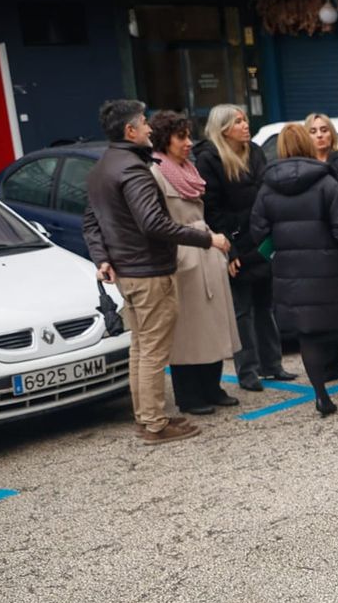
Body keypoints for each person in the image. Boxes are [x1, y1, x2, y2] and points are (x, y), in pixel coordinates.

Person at [81, 99, 230, 444]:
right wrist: (208, 239)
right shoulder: (134, 170)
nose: (149, 128)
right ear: (130, 130)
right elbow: (154, 224)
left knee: (140, 348)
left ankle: (147, 417)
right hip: (149, 272)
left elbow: (91, 221)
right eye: (144, 122)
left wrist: (102, 258)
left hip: (128, 272)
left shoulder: (103, 167)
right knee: (152, 351)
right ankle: (154, 424)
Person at [250, 123, 338, 415]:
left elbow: (258, 232)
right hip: (334, 269)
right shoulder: (326, 182)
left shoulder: (267, 187)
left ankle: (321, 397)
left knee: (308, 334)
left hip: (293, 275)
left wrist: (279, 255)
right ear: (306, 143)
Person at [193, 104, 297, 392]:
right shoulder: (209, 159)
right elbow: (211, 209)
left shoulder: (255, 151)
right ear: (224, 128)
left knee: (266, 305)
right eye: (238, 121)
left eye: (245, 120)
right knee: (242, 310)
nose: (245, 125)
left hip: (262, 238)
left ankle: (272, 365)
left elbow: (268, 192)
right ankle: (248, 370)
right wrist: (230, 249)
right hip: (234, 242)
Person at [147, 111, 241, 417]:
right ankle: (189, 395)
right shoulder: (155, 173)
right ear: (165, 140)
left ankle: (212, 386)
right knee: (188, 331)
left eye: (188, 136)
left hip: (207, 250)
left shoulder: (188, 168)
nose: (188, 143)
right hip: (183, 256)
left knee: (212, 324)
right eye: (181, 137)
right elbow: (158, 222)